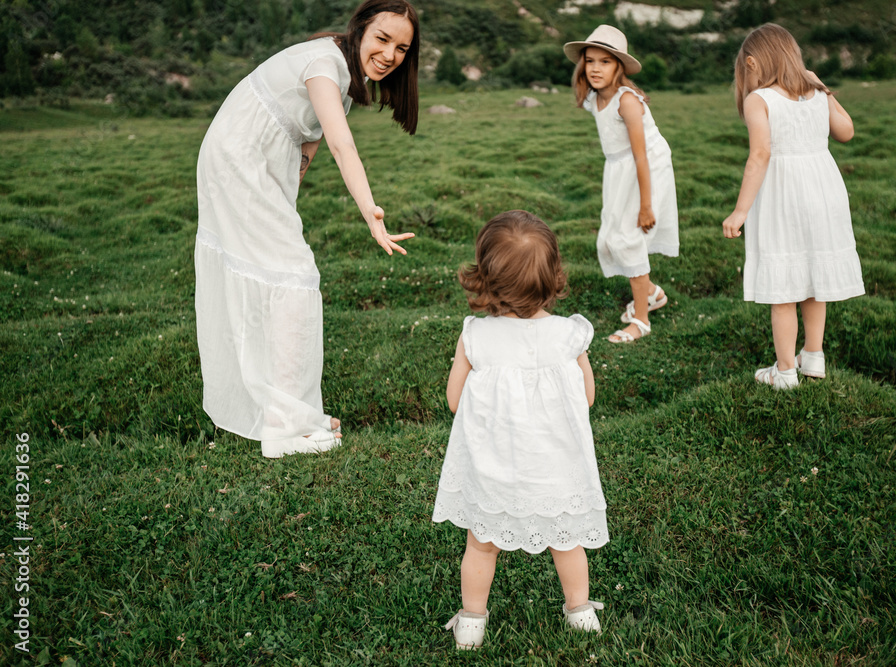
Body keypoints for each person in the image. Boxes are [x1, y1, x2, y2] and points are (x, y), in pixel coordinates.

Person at [194, 0, 420, 457]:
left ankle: (291, 415)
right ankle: (287, 429)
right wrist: (370, 211)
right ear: (358, 30)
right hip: (238, 159)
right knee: (295, 276)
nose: (390, 54)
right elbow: (340, 143)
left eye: (402, 47)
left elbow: (308, 143)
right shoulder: (324, 64)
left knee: (287, 273)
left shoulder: (344, 80)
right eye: (382, 39)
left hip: (255, 164)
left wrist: (287, 197)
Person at [432, 211, 608, 649]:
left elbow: (455, 401)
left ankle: (472, 621)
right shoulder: (570, 335)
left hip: (494, 470)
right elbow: (587, 398)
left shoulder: (476, 336)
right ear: (553, 278)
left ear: (485, 279)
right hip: (554, 468)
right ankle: (580, 612)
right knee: (566, 542)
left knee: (482, 545)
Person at [722, 23, 864, 389]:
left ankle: (785, 371)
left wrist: (740, 211)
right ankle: (813, 356)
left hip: (783, 195)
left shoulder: (760, 99)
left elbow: (760, 155)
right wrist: (823, 88)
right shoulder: (817, 93)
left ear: (752, 62)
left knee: (784, 284)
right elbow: (846, 131)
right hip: (824, 192)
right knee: (815, 276)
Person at [564, 25, 679, 344]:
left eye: (605, 61)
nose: (596, 68)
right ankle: (653, 293)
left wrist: (646, 205)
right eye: (590, 61)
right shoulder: (593, 96)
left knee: (629, 237)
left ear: (619, 67)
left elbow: (642, 157)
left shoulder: (627, 101)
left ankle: (641, 320)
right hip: (617, 167)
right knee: (610, 238)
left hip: (646, 167)